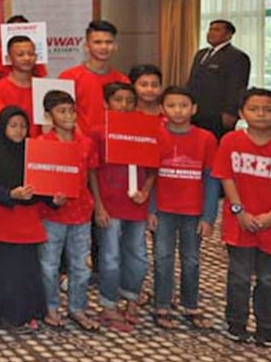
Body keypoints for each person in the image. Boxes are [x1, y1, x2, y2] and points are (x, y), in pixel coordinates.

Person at [212, 88, 271, 347]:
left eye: (268, 109)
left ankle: (266, 327)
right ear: (241, 113)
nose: (261, 114)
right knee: (238, 276)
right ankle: (236, 323)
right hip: (239, 221)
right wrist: (240, 211)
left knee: (267, 278)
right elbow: (226, 177)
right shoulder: (230, 141)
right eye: (253, 109)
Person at [149, 86, 219, 331]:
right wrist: (150, 210)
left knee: (191, 260)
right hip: (163, 211)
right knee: (162, 258)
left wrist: (209, 216)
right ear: (161, 109)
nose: (177, 111)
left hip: (194, 212)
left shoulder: (206, 138)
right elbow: (150, 177)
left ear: (194, 108)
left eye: (183, 105)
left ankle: (191, 305)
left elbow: (212, 179)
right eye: (171, 105)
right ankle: (162, 305)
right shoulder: (155, 135)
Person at [36, 90, 102, 331]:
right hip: (52, 215)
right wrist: (51, 197)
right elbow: (38, 181)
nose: (68, 116)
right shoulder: (43, 144)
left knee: (81, 264)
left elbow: (92, 174)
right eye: (61, 111)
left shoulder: (85, 143)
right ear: (49, 116)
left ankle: (77, 308)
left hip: (82, 212)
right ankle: (51, 308)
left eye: (71, 110)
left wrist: (99, 206)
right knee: (49, 264)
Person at [93, 82, 154, 332]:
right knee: (110, 257)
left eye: (130, 100)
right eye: (118, 100)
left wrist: (146, 191)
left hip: (136, 204)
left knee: (138, 256)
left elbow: (153, 169)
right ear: (107, 103)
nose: (124, 105)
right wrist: (98, 205)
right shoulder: (98, 132)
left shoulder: (145, 130)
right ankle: (108, 305)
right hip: (109, 204)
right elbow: (91, 172)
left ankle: (131, 298)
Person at [0, 107, 47, 332]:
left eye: (23, 125)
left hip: (28, 218)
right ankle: (4, 313)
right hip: (5, 217)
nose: (19, 131)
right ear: (2, 127)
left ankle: (26, 312)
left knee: (28, 270)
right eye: (13, 125)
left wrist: (55, 198)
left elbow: (44, 186)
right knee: (6, 269)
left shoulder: (35, 153)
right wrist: (11, 194)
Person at [59, 20, 129, 144]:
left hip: (114, 147)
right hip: (80, 146)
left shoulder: (123, 81)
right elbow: (60, 117)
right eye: (98, 42)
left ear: (115, 46)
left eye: (109, 42)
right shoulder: (69, 77)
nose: (104, 47)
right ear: (86, 46)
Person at [187, 19, 251, 139]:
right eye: (210, 29)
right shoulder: (201, 54)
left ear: (228, 35)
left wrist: (230, 112)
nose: (211, 33)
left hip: (217, 114)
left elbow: (238, 87)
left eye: (216, 30)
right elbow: (192, 81)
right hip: (195, 111)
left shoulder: (237, 56)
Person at [0, 36, 40, 135]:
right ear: (8, 59)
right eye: (20, 55)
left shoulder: (42, 86)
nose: (27, 58)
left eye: (31, 54)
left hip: (38, 145)